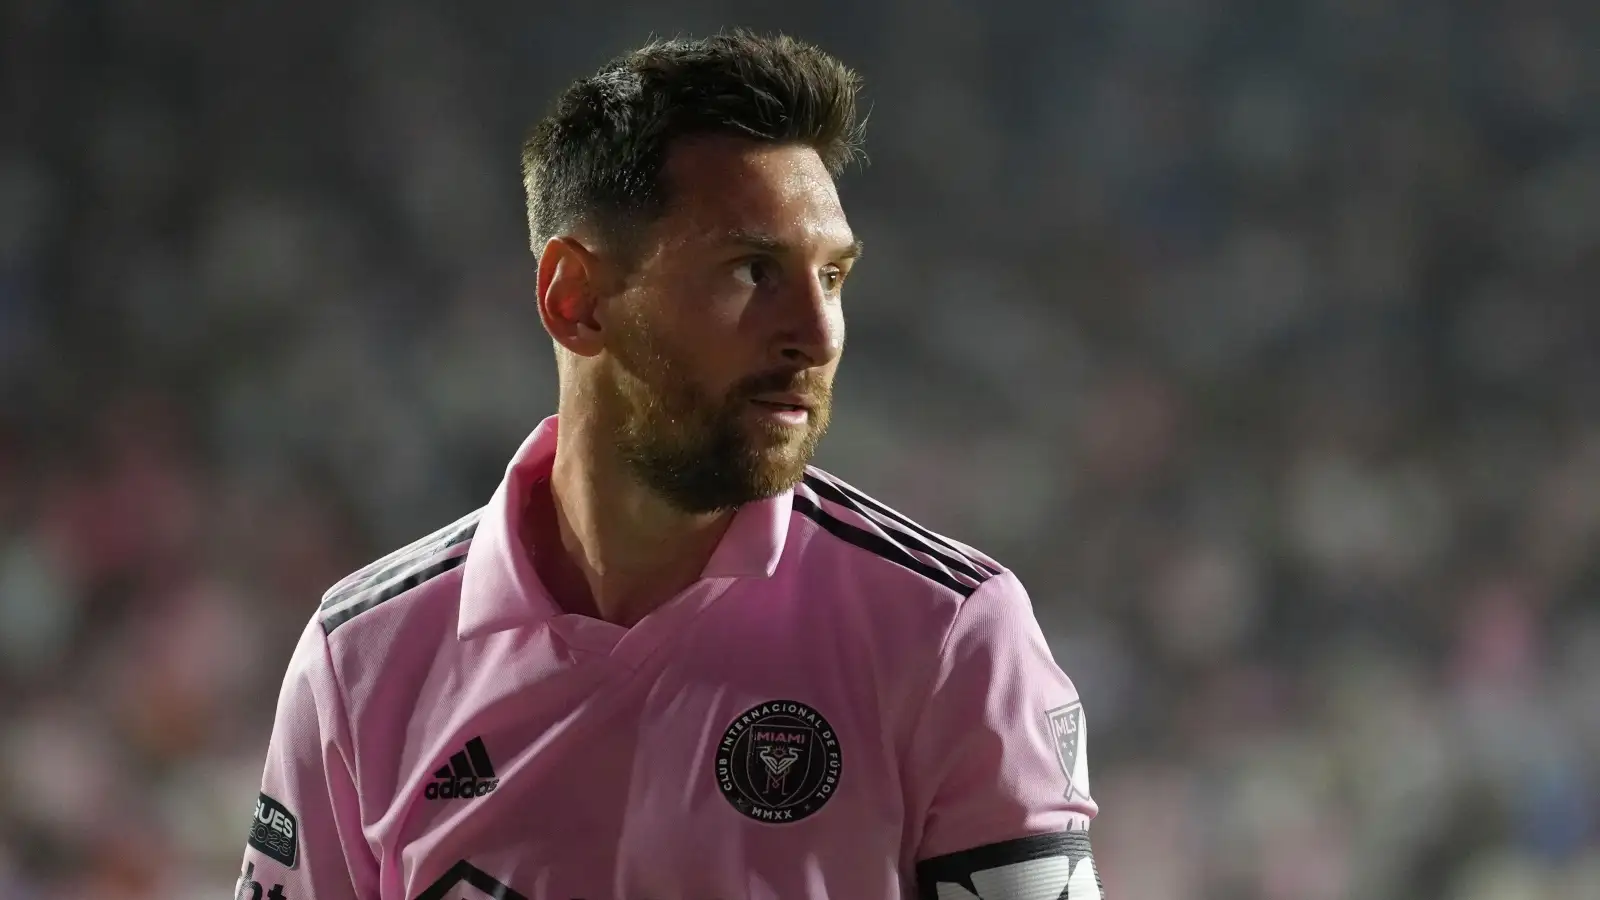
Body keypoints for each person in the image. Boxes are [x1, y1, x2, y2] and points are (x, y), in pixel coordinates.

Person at [235, 30, 1102, 900]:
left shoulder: (952, 638)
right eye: (753, 270)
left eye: (832, 276)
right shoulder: (359, 664)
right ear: (574, 299)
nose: (819, 333)